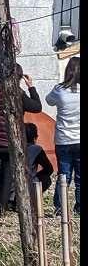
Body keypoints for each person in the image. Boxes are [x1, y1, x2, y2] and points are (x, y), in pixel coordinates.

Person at [0, 63, 42, 217]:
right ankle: (1, 209)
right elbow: (37, 107)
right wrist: (31, 87)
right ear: (19, 77)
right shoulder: (18, 93)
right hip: (10, 143)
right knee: (7, 176)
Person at [46, 56, 80, 217]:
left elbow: (48, 101)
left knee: (63, 177)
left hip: (63, 139)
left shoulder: (59, 90)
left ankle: (60, 209)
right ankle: (79, 210)